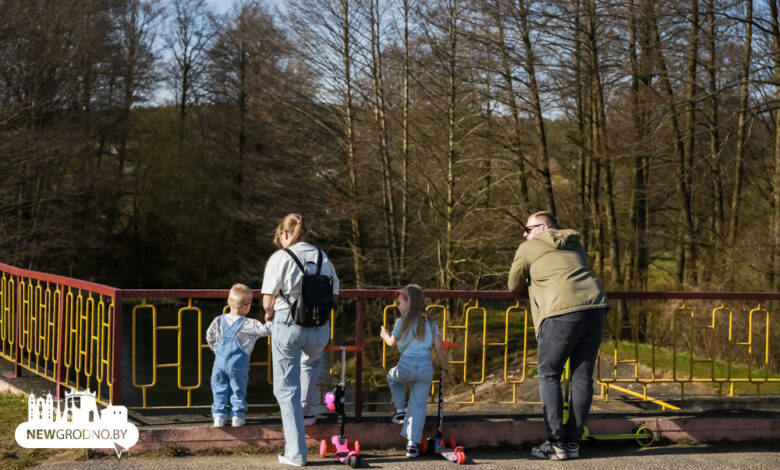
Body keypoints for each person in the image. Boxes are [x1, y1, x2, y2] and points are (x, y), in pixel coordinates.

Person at [508, 211, 609, 461]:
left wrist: (533, 282)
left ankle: (555, 443)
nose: (524, 233)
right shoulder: (576, 245)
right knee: (582, 376)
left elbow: (513, 285)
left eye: (528, 228)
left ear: (543, 227)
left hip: (561, 312)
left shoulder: (528, 248)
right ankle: (573, 441)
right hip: (595, 307)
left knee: (549, 374)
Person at [261, 213, 338, 467]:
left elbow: (268, 300)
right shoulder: (323, 257)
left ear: (284, 234)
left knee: (286, 389)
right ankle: (305, 412)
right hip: (319, 328)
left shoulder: (280, 258)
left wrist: (269, 313)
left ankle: (295, 454)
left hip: (289, 327)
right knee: (311, 362)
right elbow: (334, 293)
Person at [380, 284, 449, 458]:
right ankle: (412, 445)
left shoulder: (401, 322)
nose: (397, 305)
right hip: (426, 367)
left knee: (392, 377)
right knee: (418, 405)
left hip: (406, 365)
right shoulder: (430, 321)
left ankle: (400, 410)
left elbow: (390, 342)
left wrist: (384, 334)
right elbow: (439, 346)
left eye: (400, 302)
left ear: (409, 303)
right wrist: (444, 366)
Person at [206, 283, 272, 428]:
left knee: (219, 388)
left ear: (229, 302)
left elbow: (209, 336)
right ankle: (237, 416)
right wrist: (271, 318)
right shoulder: (249, 323)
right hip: (238, 365)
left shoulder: (218, 321)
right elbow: (265, 330)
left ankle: (219, 416)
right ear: (247, 307)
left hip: (219, 364)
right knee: (237, 390)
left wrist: (216, 350)